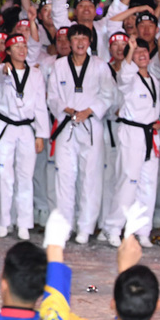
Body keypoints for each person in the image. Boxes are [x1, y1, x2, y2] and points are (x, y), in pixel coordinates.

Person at [46, 23, 114, 244]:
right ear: (69, 41)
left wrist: (89, 110)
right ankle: (65, 226)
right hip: (67, 124)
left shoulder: (100, 66)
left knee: (90, 178)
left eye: (84, 38)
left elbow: (109, 94)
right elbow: (52, 96)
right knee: (64, 178)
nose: (80, 42)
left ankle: (85, 227)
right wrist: (67, 109)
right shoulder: (58, 65)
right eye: (75, 38)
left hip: (91, 125)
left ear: (90, 41)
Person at [102, 38, 160, 248]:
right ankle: (113, 228)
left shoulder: (154, 80)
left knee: (148, 184)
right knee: (128, 181)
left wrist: (155, 122)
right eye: (136, 52)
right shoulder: (129, 77)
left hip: (150, 135)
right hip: (131, 133)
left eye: (144, 51)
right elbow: (124, 75)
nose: (142, 55)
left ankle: (143, 231)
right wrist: (129, 50)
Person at [0, 33, 50, 240]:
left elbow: (41, 106)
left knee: (25, 177)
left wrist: (41, 134)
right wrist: (3, 68)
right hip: (6, 127)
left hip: (26, 128)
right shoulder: (2, 70)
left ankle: (24, 223)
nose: (22, 50)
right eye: (16, 47)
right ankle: (3, 221)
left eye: (24, 46)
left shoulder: (35, 74)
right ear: (7, 51)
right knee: (3, 176)